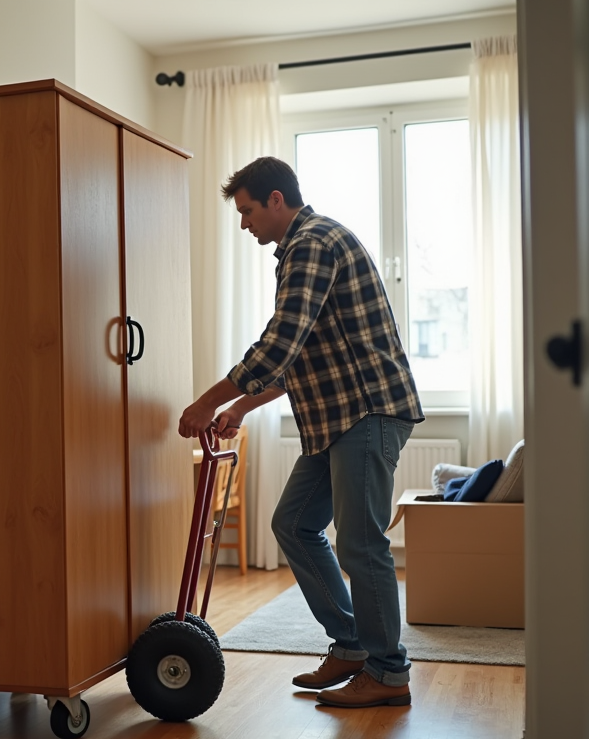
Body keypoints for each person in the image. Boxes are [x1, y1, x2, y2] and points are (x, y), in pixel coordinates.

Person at [179, 156, 424, 708]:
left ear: (274, 200)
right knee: (292, 522)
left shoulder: (312, 242)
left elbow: (279, 341)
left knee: (361, 545)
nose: (244, 225)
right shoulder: (302, 248)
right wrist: (241, 407)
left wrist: (206, 402)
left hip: (365, 412)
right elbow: (301, 357)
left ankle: (389, 674)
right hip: (337, 417)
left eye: (245, 211)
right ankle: (353, 644)